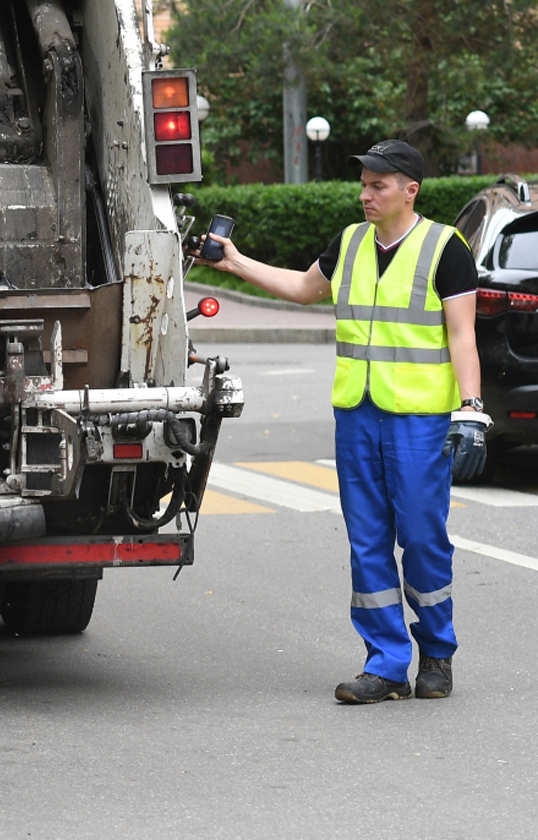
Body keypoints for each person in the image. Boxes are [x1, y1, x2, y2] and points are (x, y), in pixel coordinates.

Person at [190, 139, 490, 705]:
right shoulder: (349, 243)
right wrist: (232, 261)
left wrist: (471, 411)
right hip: (357, 417)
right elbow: (305, 288)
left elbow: (462, 337)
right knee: (367, 541)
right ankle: (385, 664)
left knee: (423, 540)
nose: (365, 194)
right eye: (364, 183)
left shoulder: (444, 248)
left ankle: (438, 653)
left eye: (378, 185)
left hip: (419, 422)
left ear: (410, 190)